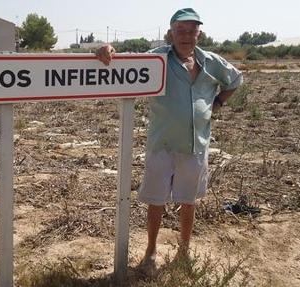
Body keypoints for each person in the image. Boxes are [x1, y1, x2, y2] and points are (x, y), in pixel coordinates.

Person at [96, 8, 243, 272]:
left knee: (189, 201)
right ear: (170, 33)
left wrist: (218, 102)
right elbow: (125, 62)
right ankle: (150, 252)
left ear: (199, 33)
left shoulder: (211, 62)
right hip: (162, 144)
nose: (186, 36)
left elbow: (235, 79)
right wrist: (106, 48)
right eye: (180, 30)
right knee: (156, 200)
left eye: (191, 31)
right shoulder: (158, 59)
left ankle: (183, 252)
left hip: (196, 144)